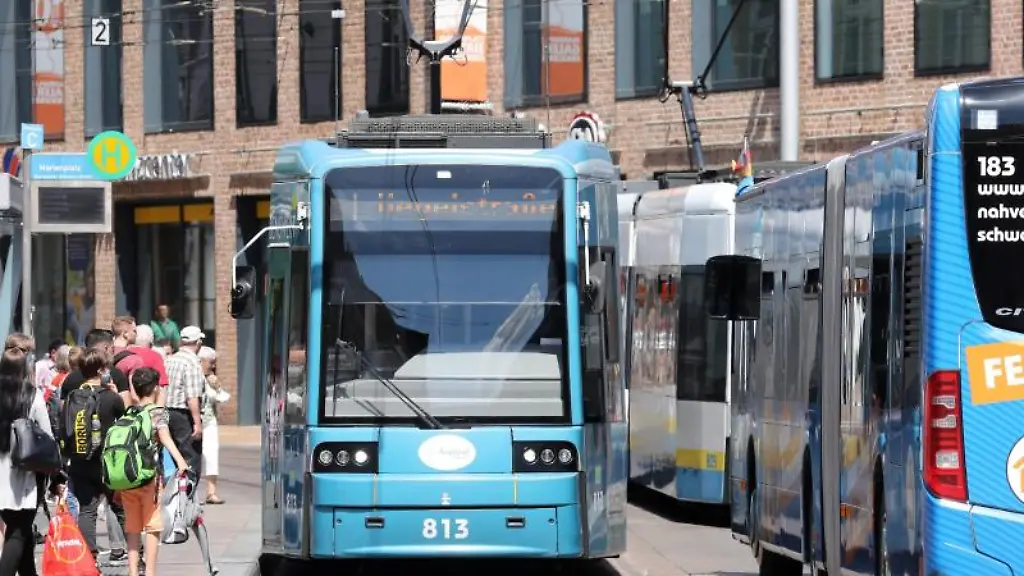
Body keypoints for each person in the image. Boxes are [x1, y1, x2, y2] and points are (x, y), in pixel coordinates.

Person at [117, 368, 189, 576]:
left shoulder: (130, 412)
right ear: (156, 388)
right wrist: (181, 461)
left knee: (132, 526)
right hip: (149, 478)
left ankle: (132, 571)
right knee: (152, 525)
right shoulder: (157, 412)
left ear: (135, 390)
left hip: (128, 477)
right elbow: (165, 438)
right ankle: (149, 572)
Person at [61, 347, 129, 566]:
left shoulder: (73, 396)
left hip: (81, 461)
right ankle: (135, 554)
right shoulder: (111, 397)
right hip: (108, 463)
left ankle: (90, 559)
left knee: (87, 509)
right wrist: (115, 391)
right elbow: (125, 420)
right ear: (101, 370)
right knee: (119, 507)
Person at [0, 345, 56, 576]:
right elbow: (47, 434)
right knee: (18, 531)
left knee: (19, 529)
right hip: (24, 470)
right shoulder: (32, 396)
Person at [164, 326, 206, 476]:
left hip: (167, 412)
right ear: (198, 342)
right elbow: (192, 396)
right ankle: (187, 496)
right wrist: (197, 423)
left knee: (176, 458)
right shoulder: (192, 363)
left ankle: (176, 494)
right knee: (191, 459)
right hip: (184, 415)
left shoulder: (170, 360)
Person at [61, 329, 133, 410]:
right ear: (106, 348)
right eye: (112, 349)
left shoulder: (71, 378)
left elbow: (63, 411)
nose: (113, 353)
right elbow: (126, 410)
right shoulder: (116, 375)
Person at [198, 347, 228, 504]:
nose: (213, 366)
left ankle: (211, 492)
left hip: (209, 422)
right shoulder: (193, 376)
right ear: (201, 361)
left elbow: (222, 398)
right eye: (211, 363)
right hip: (192, 421)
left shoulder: (211, 379)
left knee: (211, 455)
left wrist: (217, 386)